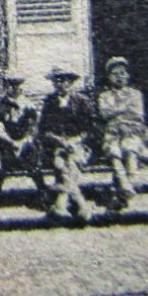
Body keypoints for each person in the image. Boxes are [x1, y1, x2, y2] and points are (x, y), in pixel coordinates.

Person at [39, 66, 97, 225]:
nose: (60, 84)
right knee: (60, 162)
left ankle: (60, 204)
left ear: (71, 82)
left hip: (78, 145)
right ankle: (82, 205)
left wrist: (76, 140)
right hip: (56, 146)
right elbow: (43, 130)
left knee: (70, 162)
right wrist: (59, 140)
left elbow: (90, 129)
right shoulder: (49, 103)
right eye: (57, 80)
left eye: (64, 80)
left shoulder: (82, 102)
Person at [0, 74, 46, 207]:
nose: (15, 88)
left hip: (25, 144)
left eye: (18, 85)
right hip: (6, 144)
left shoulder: (29, 106)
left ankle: (42, 194)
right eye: (12, 85)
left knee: (34, 157)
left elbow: (33, 129)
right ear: (6, 87)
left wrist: (23, 142)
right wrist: (12, 143)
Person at [96, 57, 147, 210]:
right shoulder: (104, 96)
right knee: (114, 151)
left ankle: (130, 181)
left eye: (122, 73)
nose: (119, 77)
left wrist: (116, 111)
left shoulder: (136, 94)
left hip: (132, 130)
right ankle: (125, 183)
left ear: (128, 75)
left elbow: (137, 114)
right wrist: (124, 108)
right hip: (112, 132)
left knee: (129, 148)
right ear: (109, 77)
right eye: (115, 73)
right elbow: (104, 113)